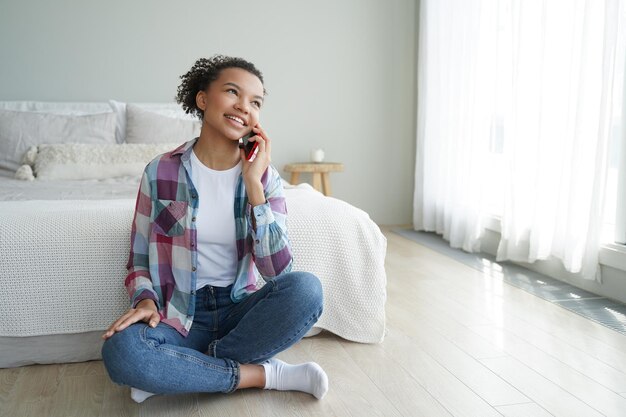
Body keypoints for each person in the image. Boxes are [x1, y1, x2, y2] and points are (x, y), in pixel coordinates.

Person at [101, 55, 328, 403]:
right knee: (122, 352)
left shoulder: (266, 179)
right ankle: (265, 374)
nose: (244, 107)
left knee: (307, 290)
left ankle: (175, 373)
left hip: (240, 310)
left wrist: (255, 187)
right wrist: (145, 299)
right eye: (232, 92)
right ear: (203, 99)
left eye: (255, 102)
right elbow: (138, 259)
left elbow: (278, 271)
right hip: (178, 313)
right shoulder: (159, 172)